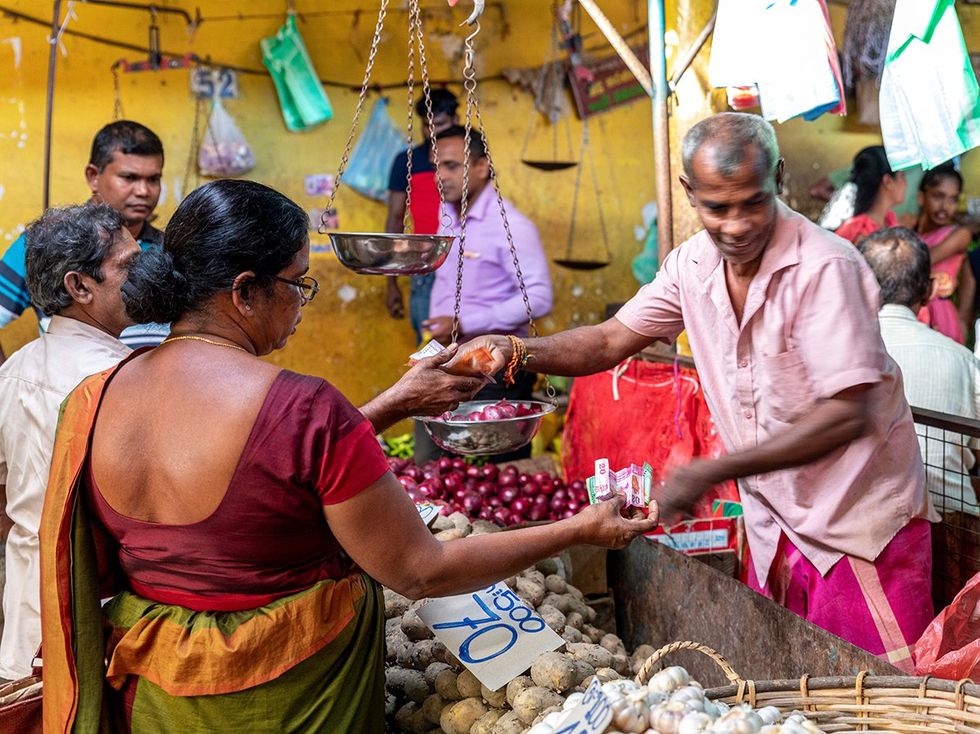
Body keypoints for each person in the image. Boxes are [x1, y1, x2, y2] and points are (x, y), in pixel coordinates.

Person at [38, 179, 658, 732]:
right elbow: (421, 571)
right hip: (292, 700)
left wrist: (392, 404)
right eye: (296, 284)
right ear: (245, 292)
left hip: (157, 702)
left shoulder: (94, 402)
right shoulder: (303, 407)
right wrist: (580, 529)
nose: (303, 302)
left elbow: (260, 483)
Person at [453, 113, 938, 671]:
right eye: (717, 208)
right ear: (689, 192)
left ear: (778, 178)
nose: (735, 226)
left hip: (857, 526)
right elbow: (611, 338)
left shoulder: (826, 267)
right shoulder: (691, 265)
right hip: (775, 526)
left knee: (883, 700)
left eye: (752, 203)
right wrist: (514, 350)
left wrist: (712, 469)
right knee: (803, 696)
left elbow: (847, 414)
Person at [0, 204, 139, 682]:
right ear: (80, 287)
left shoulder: (13, 369)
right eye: (128, 266)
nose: (144, 276)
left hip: (25, 621)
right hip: (93, 626)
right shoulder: (120, 379)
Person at [859, 227, 979, 607]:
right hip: (959, 532)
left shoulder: (841, 356)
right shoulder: (963, 360)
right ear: (928, 290)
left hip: (867, 531)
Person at [420, 125, 553, 462]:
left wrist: (465, 321)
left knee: (499, 471)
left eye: (452, 166)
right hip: (447, 362)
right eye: (436, 166)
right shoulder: (447, 214)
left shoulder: (511, 225)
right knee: (433, 467)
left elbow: (538, 297)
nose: (440, 176)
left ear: (481, 167)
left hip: (494, 369)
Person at [0, 120, 170, 362]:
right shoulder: (42, 245)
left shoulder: (169, 248)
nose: (144, 191)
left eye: (153, 179)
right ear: (93, 176)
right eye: (129, 177)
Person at [384, 89, 459, 343]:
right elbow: (395, 219)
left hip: (466, 262)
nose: (432, 132)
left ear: (455, 120)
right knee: (428, 342)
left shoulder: (469, 161)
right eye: (427, 125)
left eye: (439, 124)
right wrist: (391, 283)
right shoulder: (406, 161)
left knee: (470, 343)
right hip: (425, 264)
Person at [914, 162, 976, 344]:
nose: (945, 206)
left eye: (953, 199)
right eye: (938, 196)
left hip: (939, 315)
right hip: (912, 312)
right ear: (921, 197)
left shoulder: (960, 235)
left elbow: (920, 262)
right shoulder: (911, 230)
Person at [835, 145, 907, 245]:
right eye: (902, 176)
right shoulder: (858, 231)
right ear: (888, 182)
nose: (905, 184)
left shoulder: (890, 221)